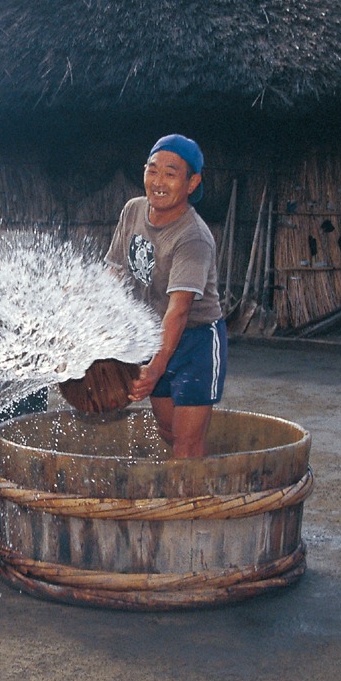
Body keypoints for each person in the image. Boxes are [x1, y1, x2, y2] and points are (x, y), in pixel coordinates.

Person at [106, 134, 226, 459]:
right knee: (168, 430)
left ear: (191, 183)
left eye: (171, 174)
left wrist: (156, 368)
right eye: (152, 170)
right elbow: (114, 273)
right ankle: (199, 480)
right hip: (152, 332)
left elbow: (179, 311)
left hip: (196, 340)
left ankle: (187, 507)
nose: (158, 182)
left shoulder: (193, 237)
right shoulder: (133, 211)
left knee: (187, 443)